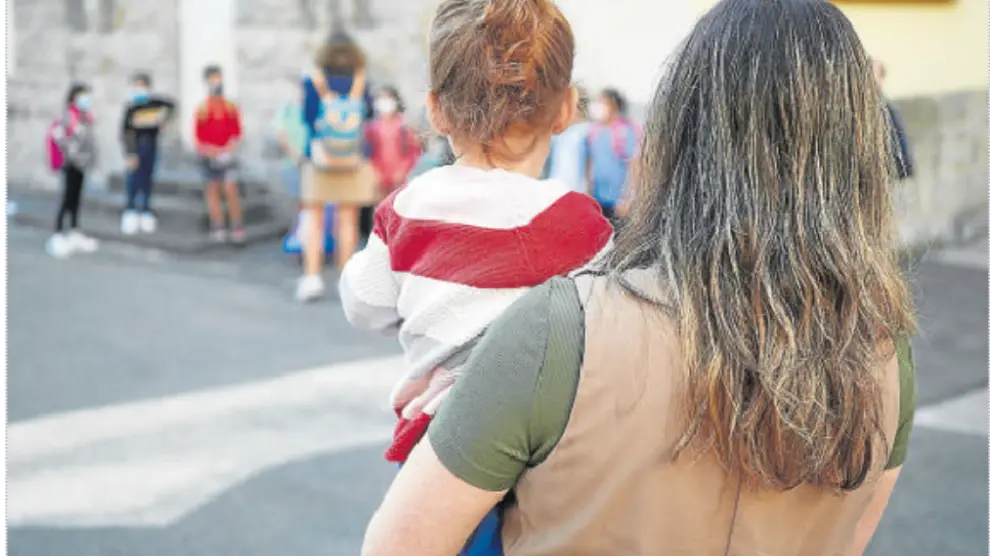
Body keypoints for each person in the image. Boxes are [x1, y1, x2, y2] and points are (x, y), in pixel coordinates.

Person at [362, 0, 918, 555]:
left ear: (677, 129)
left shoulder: (560, 331)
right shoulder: (886, 353)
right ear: (861, 152)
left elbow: (399, 547)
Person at [341, 0, 612, 553]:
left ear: (437, 111)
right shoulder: (580, 221)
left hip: (439, 450)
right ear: (566, 109)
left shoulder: (407, 209)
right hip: (555, 451)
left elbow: (364, 304)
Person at [297, 31, 377, 302]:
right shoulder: (360, 80)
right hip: (353, 159)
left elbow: (307, 118)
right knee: (348, 218)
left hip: (320, 158)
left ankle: (311, 278)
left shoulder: (314, 80)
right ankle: (346, 280)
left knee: (314, 217)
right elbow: (369, 116)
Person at [119, 71, 176, 235]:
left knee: (147, 178)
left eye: (142, 86)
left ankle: (145, 210)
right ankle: (130, 209)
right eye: (137, 86)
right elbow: (125, 132)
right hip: (135, 146)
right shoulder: (131, 108)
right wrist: (130, 153)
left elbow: (172, 106)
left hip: (151, 145)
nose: (139, 90)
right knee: (133, 180)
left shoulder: (155, 104)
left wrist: (164, 120)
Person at [47, 83, 99, 258]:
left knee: (76, 198)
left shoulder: (86, 116)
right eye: (83, 96)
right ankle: (58, 233)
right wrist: (70, 151)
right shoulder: (68, 115)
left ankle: (75, 230)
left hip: (82, 163)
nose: (87, 100)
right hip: (70, 162)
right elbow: (58, 135)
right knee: (67, 197)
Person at [194, 65, 245, 243]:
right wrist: (211, 151)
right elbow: (198, 138)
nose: (216, 82)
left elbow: (237, 133)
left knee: (230, 190)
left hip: (227, 156)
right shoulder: (202, 109)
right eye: (212, 79)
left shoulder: (230, 107)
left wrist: (228, 148)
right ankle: (218, 225)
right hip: (210, 157)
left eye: (218, 78)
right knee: (213, 190)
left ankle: (236, 224)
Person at [586, 88, 640, 222]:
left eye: (602, 103)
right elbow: (591, 162)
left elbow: (635, 165)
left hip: (618, 203)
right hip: (597, 198)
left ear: (613, 106)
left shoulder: (625, 132)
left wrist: (628, 199)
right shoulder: (595, 131)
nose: (597, 107)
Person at [365, 86, 422, 198]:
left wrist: (403, 170)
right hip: (379, 179)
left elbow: (414, 151)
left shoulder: (405, 127)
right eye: (381, 99)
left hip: (399, 178)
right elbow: (368, 152)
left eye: (388, 98)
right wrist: (375, 171)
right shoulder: (372, 128)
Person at [872, 58, 914, 180]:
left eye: (872, 72)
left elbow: (900, 141)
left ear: (881, 79)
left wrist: (904, 166)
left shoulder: (887, 109)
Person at [545, 85, 591, 193]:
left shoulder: (586, 131)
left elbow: (590, 162)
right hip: (555, 188)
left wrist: (588, 187)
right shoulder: (558, 132)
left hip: (576, 189)